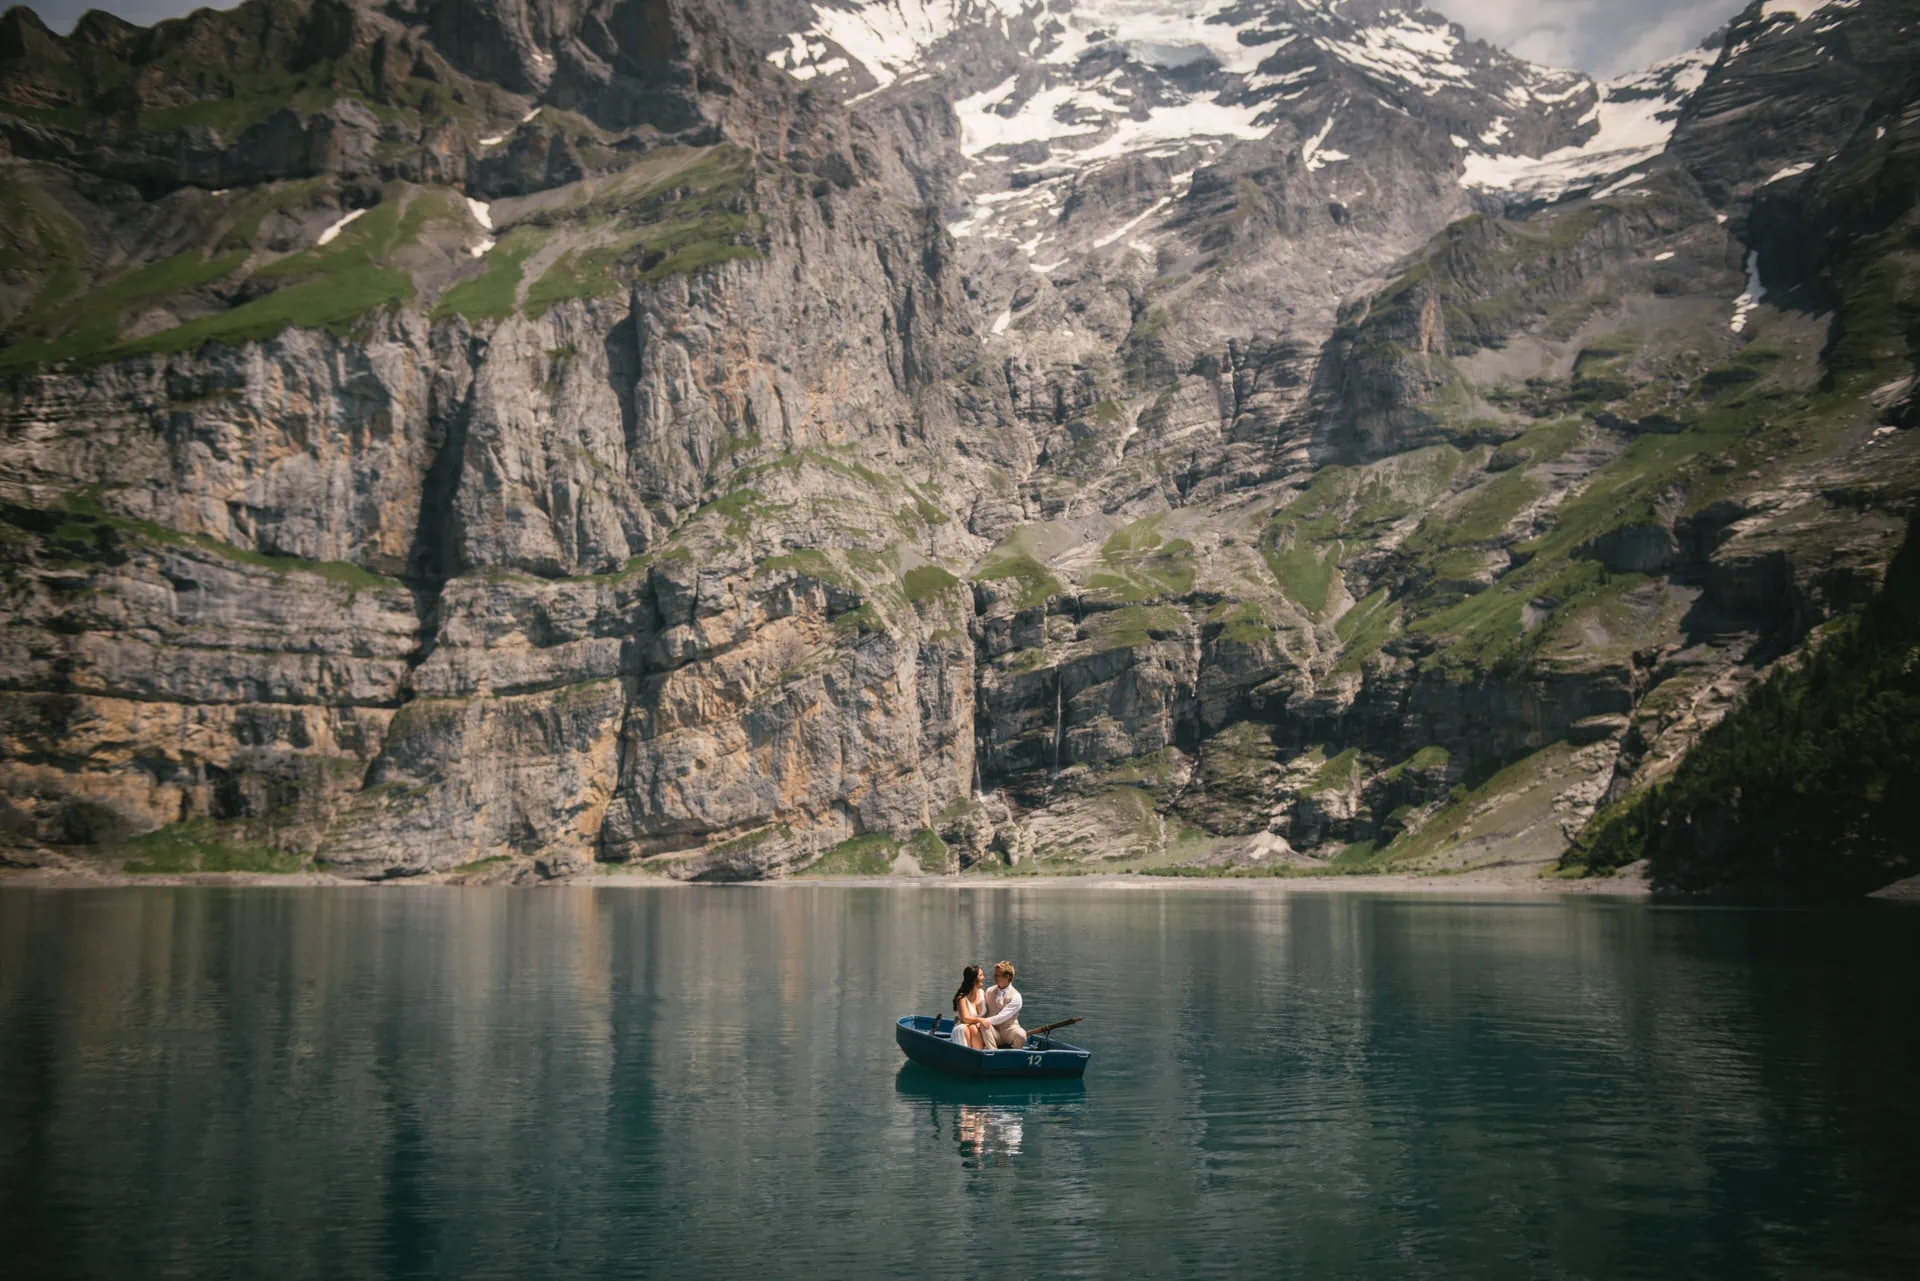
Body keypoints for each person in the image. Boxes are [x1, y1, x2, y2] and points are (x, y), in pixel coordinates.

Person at [979, 960, 1026, 1049]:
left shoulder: (1016, 997)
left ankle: (1015, 1055)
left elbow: (1001, 1017)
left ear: (1007, 977)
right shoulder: (989, 991)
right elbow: (982, 1010)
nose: (994, 977)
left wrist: (981, 1021)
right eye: (994, 975)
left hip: (1009, 1030)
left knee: (1021, 1035)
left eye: (997, 975)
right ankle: (993, 1053)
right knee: (984, 1025)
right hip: (993, 1031)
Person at [949, 964, 989, 1049]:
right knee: (969, 1028)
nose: (984, 978)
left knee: (974, 1028)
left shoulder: (983, 993)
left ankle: (979, 1055)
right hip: (964, 1026)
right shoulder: (961, 997)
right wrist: (980, 1020)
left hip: (978, 1028)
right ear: (974, 980)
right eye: (981, 975)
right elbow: (965, 1018)